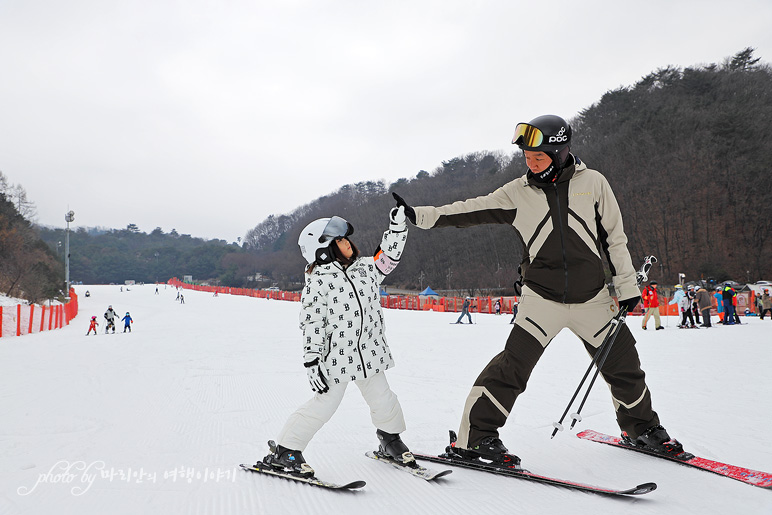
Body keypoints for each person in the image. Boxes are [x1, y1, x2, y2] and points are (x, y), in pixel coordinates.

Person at [392, 114, 683, 462]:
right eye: (527, 157)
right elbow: (473, 209)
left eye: (539, 157)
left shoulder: (593, 183)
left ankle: (641, 428)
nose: (531, 164)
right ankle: (476, 437)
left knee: (625, 365)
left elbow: (614, 239)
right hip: (541, 300)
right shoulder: (518, 192)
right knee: (512, 367)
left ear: (560, 152)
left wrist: (625, 284)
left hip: (593, 299)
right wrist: (422, 215)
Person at [259, 207, 412, 477]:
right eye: (339, 241)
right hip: (338, 357)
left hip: (370, 352)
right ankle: (286, 451)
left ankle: (390, 440)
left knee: (383, 399)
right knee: (324, 404)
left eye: (346, 239)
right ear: (322, 250)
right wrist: (312, 359)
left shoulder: (367, 269)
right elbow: (312, 323)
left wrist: (397, 228)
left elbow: (389, 256)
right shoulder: (318, 283)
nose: (347, 243)